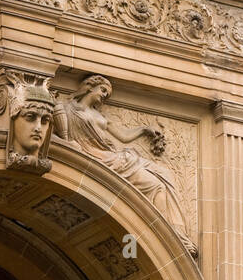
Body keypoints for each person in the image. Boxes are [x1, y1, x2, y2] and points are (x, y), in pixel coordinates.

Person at [54, 74, 197, 254]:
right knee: (156, 185)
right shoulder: (65, 109)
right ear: (89, 87)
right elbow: (63, 138)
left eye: (108, 93)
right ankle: (171, 236)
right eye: (103, 90)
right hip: (95, 157)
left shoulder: (100, 116)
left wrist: (144, 129)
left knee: (164, 176)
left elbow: (123, 136)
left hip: (112, 157)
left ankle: (173, 232)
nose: (105, 95)